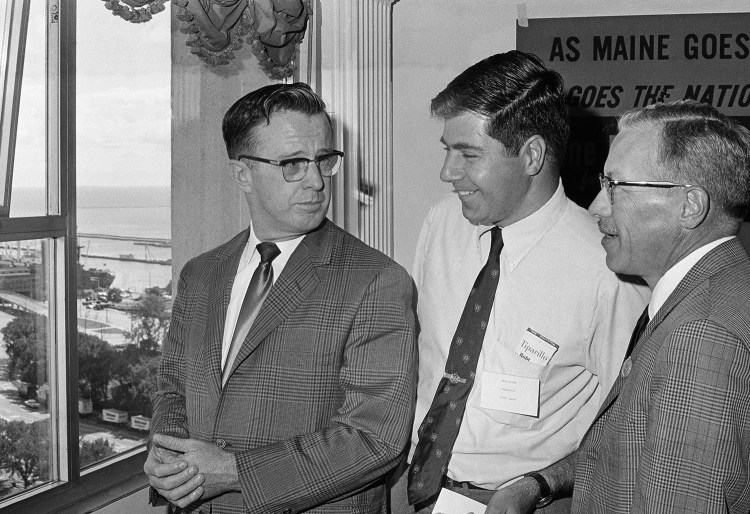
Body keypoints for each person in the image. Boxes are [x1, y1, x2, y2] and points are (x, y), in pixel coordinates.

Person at [390, 51, 649, 514]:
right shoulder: (442, 224)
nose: (447, 173)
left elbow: (631, 426)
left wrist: (540, 487)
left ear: (531, 155)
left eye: (468, 154)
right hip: (417, 493)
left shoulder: (608, 269)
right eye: (447, 150)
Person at [144, 82, 417, 513]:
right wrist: (169, 455)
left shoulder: (377, 281)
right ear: (243, 174)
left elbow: (374, 439)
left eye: (324, 160)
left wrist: (233, 470)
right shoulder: (200, 274)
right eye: (293, 163)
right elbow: (173, 388)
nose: (315, 181)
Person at [566, 101, 750, 512]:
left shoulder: (699, 336)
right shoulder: (714, 292)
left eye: (615, 186)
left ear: (689, 206)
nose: (596, 206)